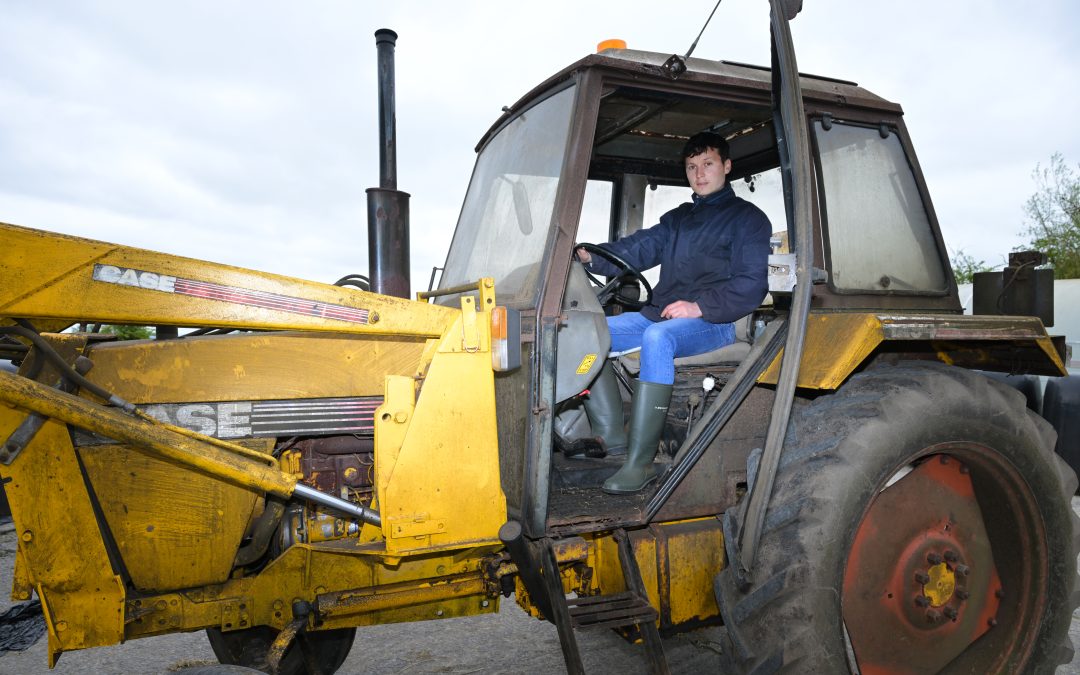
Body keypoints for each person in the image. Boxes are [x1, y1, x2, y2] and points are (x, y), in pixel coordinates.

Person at [576, 132, 771, 494]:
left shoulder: (748, 220)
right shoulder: (678, 219)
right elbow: (638, 248)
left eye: (708, 164)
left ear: (727, 166)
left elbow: (752, 283)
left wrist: (699, 306)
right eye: (692, 166)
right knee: (587, 331)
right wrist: (592, 256)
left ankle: (641, 463)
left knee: (658, 337)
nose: (699, 173)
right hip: (662, 315)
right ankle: (610, 436)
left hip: (717, 321)